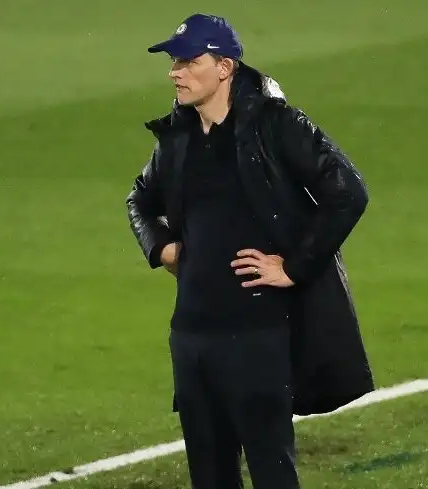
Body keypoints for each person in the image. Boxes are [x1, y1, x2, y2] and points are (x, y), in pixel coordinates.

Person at [125, 12, 375, 489]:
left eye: (188, 61)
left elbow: (348, 192)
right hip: (192, 335)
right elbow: (139, 198)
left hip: (257, 333)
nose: (175, 73)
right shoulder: (178, 137)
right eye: (174, 62)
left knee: (271, 471)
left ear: (224, 67)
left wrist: (295, 267)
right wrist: (163, 248)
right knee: (210, 477)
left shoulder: (274, 124)